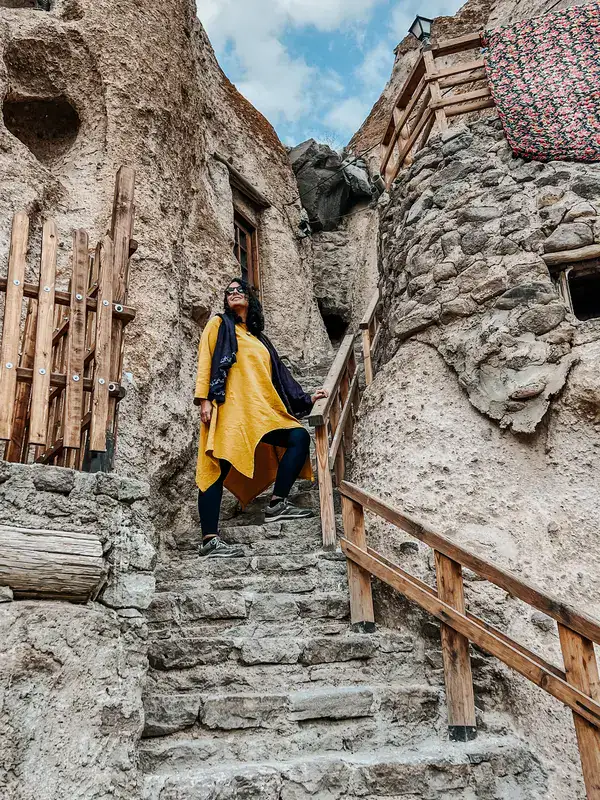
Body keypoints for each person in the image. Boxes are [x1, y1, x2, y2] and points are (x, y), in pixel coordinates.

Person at [194, 278, 328, 558]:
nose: (233, 293)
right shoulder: (219, 324)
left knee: (298, 436)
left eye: (239, 289)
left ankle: (277, 503)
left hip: (262, 411)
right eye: (228, 291)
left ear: (250, 298)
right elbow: (206, 360)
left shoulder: (259, 339)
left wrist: (305, 399)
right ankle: (209, 539)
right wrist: (204, 400)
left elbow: (279, 375)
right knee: (218, 465)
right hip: (230, 409)